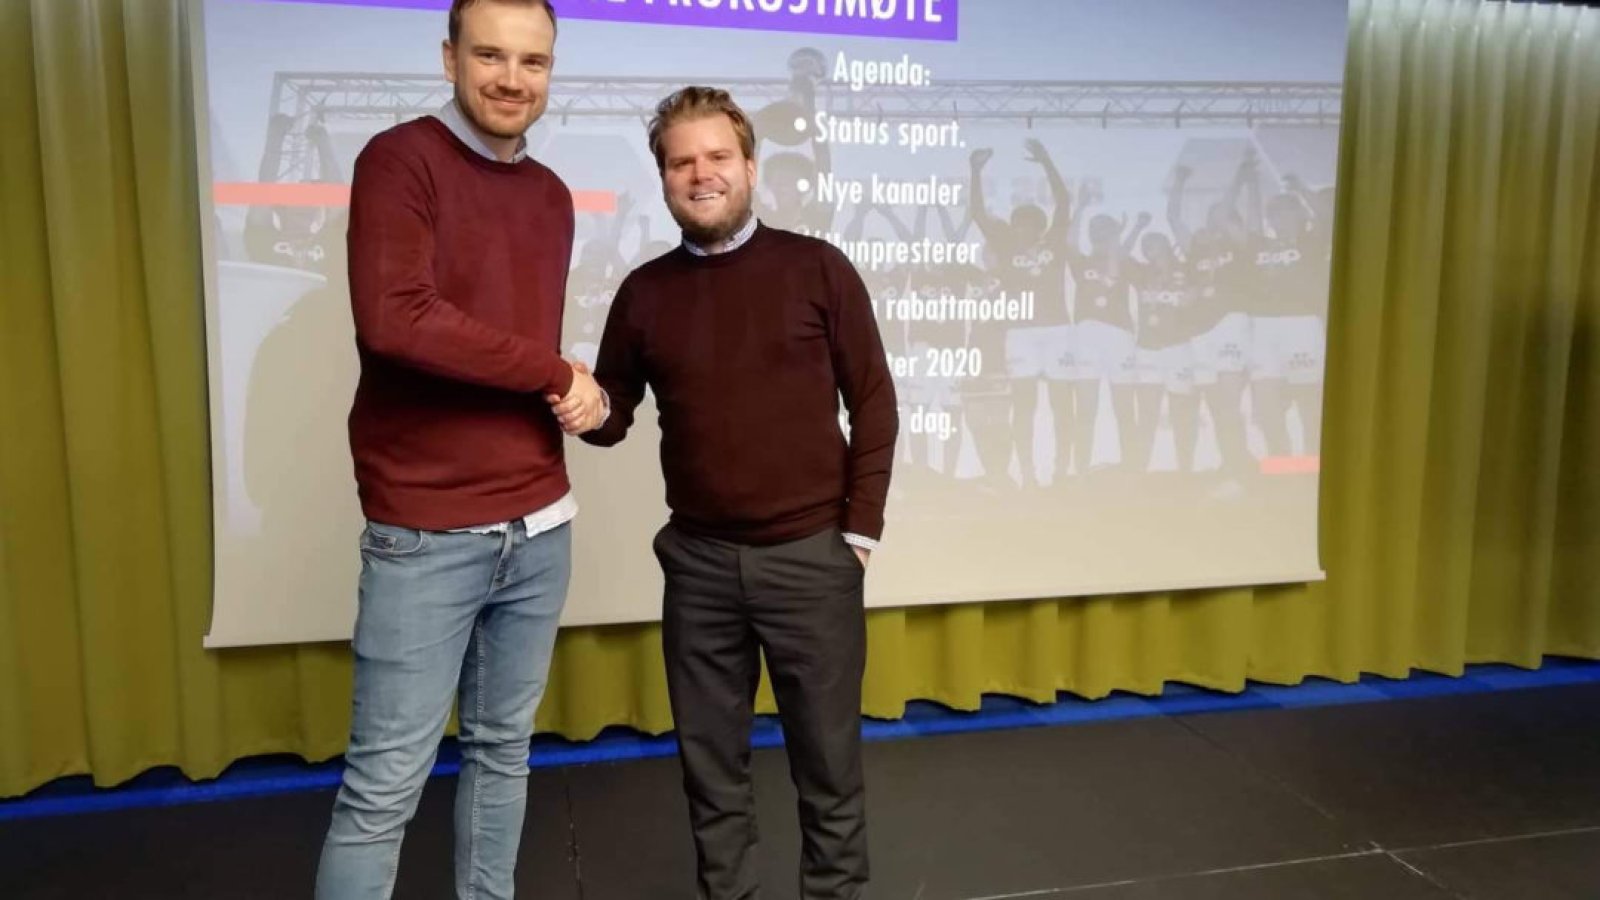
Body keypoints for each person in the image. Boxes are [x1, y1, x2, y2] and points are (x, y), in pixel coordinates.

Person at [559, 86, 898, 900]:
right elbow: (614, 415)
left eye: (717, 156)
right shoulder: (644, 291)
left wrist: (857, 536)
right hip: (700, 567)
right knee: (711, 776)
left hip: (811, 563)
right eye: (682, 162)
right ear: (664, 179)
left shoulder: (818, 268)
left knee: (829, 773)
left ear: (750, 166)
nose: (700, 173)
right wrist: (580, 402)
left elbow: (875, 401)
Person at [314, 2, 604, 898]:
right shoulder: (399, 161)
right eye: (490, 55)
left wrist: (571, 386)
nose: (512, 79)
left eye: (533, 61)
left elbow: (501, 336)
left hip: (540, 524)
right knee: (383, 788)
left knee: (503, 754)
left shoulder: (551, 195)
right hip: (427, 532)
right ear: (449, 58)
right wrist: (555, 370)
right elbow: (397, 321)